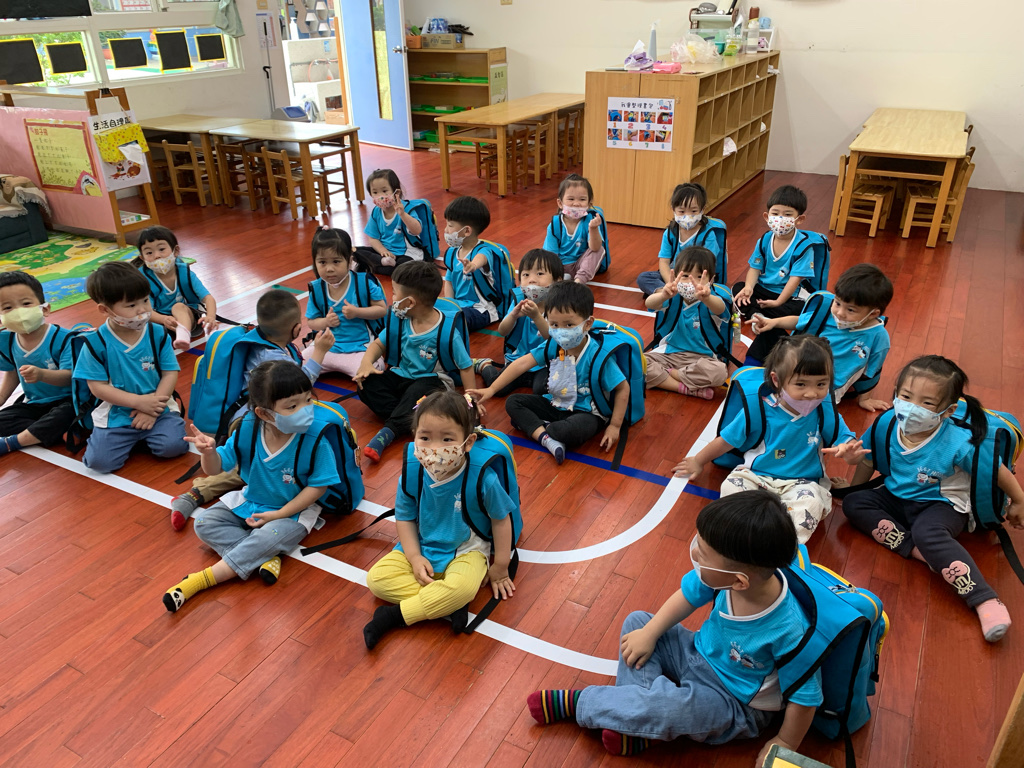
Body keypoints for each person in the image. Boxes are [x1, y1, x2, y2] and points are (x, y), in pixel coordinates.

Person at [526, 490, 822, 762]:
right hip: (696, 654)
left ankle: (583, 703)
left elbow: (806, 696)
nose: (694, 554)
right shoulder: (728, 577)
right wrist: (650, 633)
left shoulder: (790, 629)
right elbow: (686, 596)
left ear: (739, 582)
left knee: (671, 707)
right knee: (639, 623)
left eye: (702, 552)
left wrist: (785, 742)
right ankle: (639, 723)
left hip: (734, 702)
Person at [842, 355, 1024, 642]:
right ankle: (919, 550)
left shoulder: (958, 442)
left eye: (926, 403)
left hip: (942, 505)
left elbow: (995, 470)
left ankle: (985, 599)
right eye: (905, 396)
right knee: (854, 504)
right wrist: (852, 489)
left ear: (948, 410)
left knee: (928, 532)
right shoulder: (887, 422)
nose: (911, 407)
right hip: (897, 496)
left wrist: (1020, 501)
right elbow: (867, 458)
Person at [163, 360, 341, 612]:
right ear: (264, 414)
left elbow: (318, 488)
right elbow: (215, 469)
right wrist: (209, 453)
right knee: (204, 523)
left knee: (271, 535)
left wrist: (279, 514)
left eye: (308, 400)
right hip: (252, 501)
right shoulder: (247, 430)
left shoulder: (315, 439)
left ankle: (201, 580)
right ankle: (268, 555)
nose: (305, 410)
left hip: (292, 512)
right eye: (292, 406)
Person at [362, 390, 517, 648]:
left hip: (466, 550)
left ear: (468, 442)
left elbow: (501, 520)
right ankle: (448, 606)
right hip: (423, 545)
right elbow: (405, 518)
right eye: (425, 438)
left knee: (463, 589)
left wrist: (501, 565)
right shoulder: (412, 473)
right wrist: (414, 557)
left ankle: (393, 616)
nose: (434, 448)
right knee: (377, 580)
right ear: (414, 436)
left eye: (447, 439)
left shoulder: (482, 478)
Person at [674, 335, 865, 543]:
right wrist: (698, 461)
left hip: (803, 483)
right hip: (757, 476)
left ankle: (781, 547)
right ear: (776, 380)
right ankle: (744, 538)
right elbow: (726, 440)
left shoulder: (825, 411)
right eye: (801, 384)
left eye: (821, 384)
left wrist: (850, 454)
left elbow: (849, 447)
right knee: (731, 488)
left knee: (810, 505)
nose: (812, 393)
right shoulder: (758, 408)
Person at [171, 289, 335, 529]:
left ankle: (196, 494)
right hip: (257, 420)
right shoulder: (276, 358)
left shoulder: (263, 342)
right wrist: (319, 352)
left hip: (256, 415)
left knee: (256, 466)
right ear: (296, 329)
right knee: (260, 468)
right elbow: (300, 386)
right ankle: (196, 494)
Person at [470, 282, 629, 465]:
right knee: (513, 402)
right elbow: (521, 363)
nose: (561, 331)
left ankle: (536, 427)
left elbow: (623, 388)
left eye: (569, 324)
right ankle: (546, 438)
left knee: (568, 431)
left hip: (586, 412)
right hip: (556, 404)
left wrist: (614, 426)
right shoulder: (553, 344)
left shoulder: (598, 355)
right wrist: (491, 389)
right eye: (554, 324)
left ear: (587, 324)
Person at [73, 261, 188, 473]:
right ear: (105, 309)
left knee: (174, 447)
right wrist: (138, 403)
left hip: (158, 406)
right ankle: (133, 438)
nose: (143, 309)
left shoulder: (157, 333)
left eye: (145, 300)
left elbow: (170, 373)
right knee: (99, 463)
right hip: (117, 413)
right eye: (131, 305)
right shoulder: (95, 342)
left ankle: (146, 434)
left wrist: (152, 409)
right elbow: (97, 387)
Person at [355, 261, 476, 462]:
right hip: (399, 376)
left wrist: (470, 400)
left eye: (394, 293)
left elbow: (466, 366)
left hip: (431, 382)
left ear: (409, 302)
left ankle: (389, 431)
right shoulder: (399, 320)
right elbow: (378, 345)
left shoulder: (446, 331)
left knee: (421, 393)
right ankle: (411, 419)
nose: (392, 298)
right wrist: (366, 364)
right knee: (365, 383)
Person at [752, 263, 893, 411]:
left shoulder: (879, 336)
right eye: (837, 303)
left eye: (851, 310)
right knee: (768, 336)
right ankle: (751, 376)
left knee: (795, 410)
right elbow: (799, 321)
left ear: (873, 313)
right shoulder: (827, 313)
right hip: (799, 369)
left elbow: (872, 371)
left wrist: (865, 399)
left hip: (827, 388)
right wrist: (773, 322)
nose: (840, 313)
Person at [733, 185, 818, 363]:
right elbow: (755, 268)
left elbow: (795, 280)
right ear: (767, 216)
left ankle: (760, 317)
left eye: (787, 214)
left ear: (799, 219)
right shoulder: (765, 239)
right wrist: (749, 288)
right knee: (738, 289)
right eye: (775, 213)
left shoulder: (804, 246)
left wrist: (778, 301)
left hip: (787, 296)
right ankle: (760, 317)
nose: (780, 219)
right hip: (763, 290)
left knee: (801, 309)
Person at [0, 271, 76, 455]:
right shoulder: (6, 340)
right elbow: (12, 372)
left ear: (45, 309)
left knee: (65, 414)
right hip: (34, 403)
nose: (18, 312)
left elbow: (69, 377)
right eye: (8, 307)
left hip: (67, 401)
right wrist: (1, 398)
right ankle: (56, 432)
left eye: (26, 304)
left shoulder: (66, 339)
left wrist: (42, 374)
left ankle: (13, 442)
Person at [644, 246, 730, 400]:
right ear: (675, 275)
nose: (692, 282)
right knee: (638, 362)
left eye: (700, 276)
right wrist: (663, 295)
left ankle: (670, 375)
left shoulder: (711, 300)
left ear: (711, 280)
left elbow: (720, 308)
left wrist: (707, 298)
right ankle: (686, 388)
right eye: (685, 276)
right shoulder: (672, 297)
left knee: (719, 372)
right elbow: (649, 303)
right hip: (669, 353)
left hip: (701, 358)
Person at [474, 248, 563, 396]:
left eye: (540, 274)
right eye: (526, 275)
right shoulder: (519, 300)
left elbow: (552, 339)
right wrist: (513, 316)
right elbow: (502, 331)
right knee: (498, 387)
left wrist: (536, 316)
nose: (532, 280)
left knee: (542, 389)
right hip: (519, 360)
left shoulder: (560, 306)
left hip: (545, 361)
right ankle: (484, 365)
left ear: (557, 280)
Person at [303, 226, 387, 377]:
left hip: (360, 348)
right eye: (322, 262)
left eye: (336, 261)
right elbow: (311, 322)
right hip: (326, 348)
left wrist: (357, 312)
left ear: (349, 260)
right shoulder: (316, 288)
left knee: (370, 373)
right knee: (295, 369)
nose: (329, 269)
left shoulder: (364, 283)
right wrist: (325, 322)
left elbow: (382, 310)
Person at [133, 225, 217, 351]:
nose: (156, 256)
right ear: (142, 258)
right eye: (149, 253)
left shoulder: (185, 273)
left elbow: (208, 298)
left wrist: (210, 316)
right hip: (161, 321)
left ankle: (183, 336)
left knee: (178, 306)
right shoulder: (143, 279)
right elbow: (146, 311)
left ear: (175, 251)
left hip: (188, 316)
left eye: (161, 249)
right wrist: (163, 319)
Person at [636, 182, 728, 298]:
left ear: (702, 209)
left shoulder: (708, 235)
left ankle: (670, 296)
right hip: (675, 276)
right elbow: (664, 262)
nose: (687, 216)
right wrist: (671, 283)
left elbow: (708, 266)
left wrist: (694, 284)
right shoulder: (670, 232)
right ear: (673, 209)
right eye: (682, 211)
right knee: (644, 278)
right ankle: (668, 293)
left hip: (697, 278)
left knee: (709, 290)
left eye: (693, 211)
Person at [441, 195, 508, 332]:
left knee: (455, 320)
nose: (446, 230)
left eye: (450, 225)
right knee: (431, 311)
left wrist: (473, 265)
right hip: (459, 305)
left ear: (467, 231)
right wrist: (450, 305)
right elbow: (449, 281)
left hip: (481, 310)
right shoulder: (452, 253)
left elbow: (482, 258)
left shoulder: (484, 250)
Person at [357, 169, 426, 275]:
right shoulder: (376, 211)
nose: (380, 195)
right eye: (375, 192)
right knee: (354, 251)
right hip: (385, 253)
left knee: (403, 268)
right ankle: (382, 262)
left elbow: (417, 230)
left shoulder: (407, 208)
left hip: (406, 254)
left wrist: (403, 214)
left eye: (385, 191)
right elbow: (373, 238)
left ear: (396, 192)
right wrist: (383, 251)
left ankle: (374, 265)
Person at [542, 174, 608, 284]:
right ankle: (559, 278)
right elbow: (551, 255)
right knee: (543, 259)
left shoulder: (590, 221)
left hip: (580, 265)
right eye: (571, 199)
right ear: (560, 203)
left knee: (600, 250)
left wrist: (593, 228)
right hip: (560, 266)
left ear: (589, 204)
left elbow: (595, 248)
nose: (576, 203)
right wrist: (555, 273)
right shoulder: (555, 225)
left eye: (582, 199)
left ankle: (578, 282)